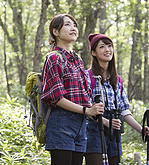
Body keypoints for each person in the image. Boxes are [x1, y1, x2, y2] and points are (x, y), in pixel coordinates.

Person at [41, 14, 104, 165]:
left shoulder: (77, 59)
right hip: (61, 123)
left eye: (74, 25)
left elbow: (84, 94)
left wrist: (92, 110)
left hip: (81, 125)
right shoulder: (54, 58)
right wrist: (87, 110)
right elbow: (56, 97)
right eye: (67, 25)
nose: (73, 28)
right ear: (56, 32)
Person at [85, 33, 149, 165]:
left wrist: (141, 129)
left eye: (109, 46)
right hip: (94, 130)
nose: (107, 50)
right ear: (93, 53)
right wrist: (105, 122)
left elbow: (124, 111)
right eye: (102, 47)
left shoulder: (117, 80)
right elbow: (85, 109)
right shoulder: (87, 76)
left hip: (114, 131)